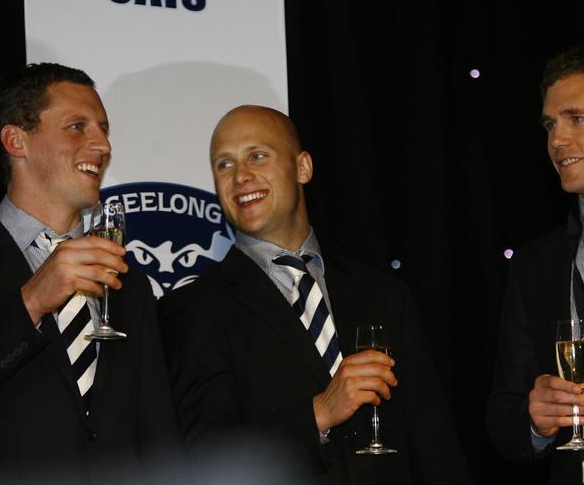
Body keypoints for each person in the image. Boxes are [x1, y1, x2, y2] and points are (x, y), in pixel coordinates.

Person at [157, 104, 473, 484]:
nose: (241, 176)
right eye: (224, 165)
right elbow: (208, 455)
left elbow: (434, 442)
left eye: (257, 156)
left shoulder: (383, 293)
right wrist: (319, 413)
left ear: (303, 167)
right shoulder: (193, 310)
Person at [0, 63, 181, 484]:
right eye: (77, 127)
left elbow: (157, 429)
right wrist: (32, 301)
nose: (101, 145)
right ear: (16, 140)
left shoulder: (128, 281)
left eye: (103, 128)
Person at [486, 38, 584, 484]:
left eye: (577, 119)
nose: (557, 139)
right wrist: (535, 421)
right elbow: (502, 419)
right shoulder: (536, 264)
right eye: (550, 124)